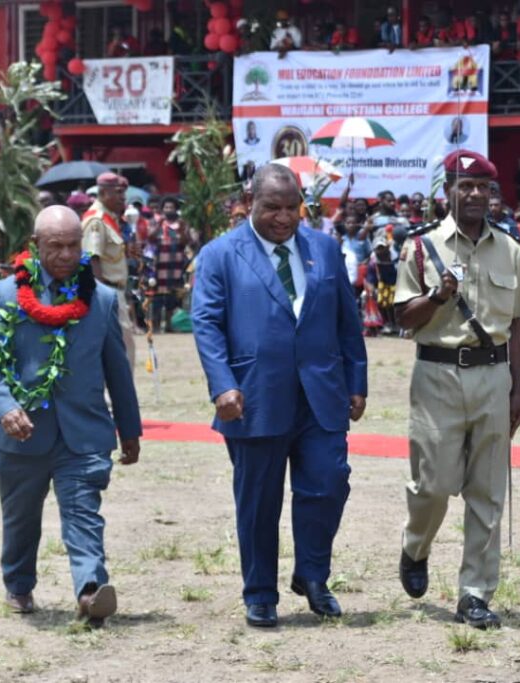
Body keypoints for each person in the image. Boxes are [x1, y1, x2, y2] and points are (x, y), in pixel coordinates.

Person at [191, 164, 368, 628]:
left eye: (293, 208)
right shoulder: (219, 254)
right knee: (259, 500)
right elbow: (206, 324)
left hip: (320, 396)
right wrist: (222, 384)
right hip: (253, 398)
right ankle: (260, 592)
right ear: (250, 200)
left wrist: (357, 382)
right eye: (273, 207)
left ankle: (312, 576)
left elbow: (347, 323)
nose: (284, 218)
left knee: (329, 482)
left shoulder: (325, 250)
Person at [0, 205, 141, 624]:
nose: (67, 254)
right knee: (20, 519)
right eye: (56, 246)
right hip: (22, 434)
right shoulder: (6, 295)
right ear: (35, 246)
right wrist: (7, 407)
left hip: (83, 434)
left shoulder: (101, 300)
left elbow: (117, 369)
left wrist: (130, 428)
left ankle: (90, 591)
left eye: (73, 245)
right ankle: (18, 584)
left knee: (84, 514)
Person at [393, 150, 520, 630]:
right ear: (447, 192)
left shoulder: (510, 250)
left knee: (487, 490)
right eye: (464, 185)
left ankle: (475, 593)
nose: (475, 194)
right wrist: (437, 295)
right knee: (431, 485)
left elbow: (517, 325)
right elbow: (402, 318)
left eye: (483, 187)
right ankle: (416, 547)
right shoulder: (419, 248)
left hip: (494, 375)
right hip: (436, 374)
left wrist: (516, 390)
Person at [82, 172, 135, 369]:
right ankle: (120, 394)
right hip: (106, 292)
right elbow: (91, 259)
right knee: (121, 345)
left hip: (116, 290)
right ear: (103, 193)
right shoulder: (97, 220)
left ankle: (122, 393)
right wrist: (101, 297)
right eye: (118, 193)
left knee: (123, 344)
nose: (123, 198)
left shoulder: (110, 219)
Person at [148, 197, 188, 333]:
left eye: (171, 207)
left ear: (176, 209)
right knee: (157, 297)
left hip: (176, 266)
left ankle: (170, 325)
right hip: (159, 267)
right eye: (166, 207)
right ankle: (156, 325)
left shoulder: (181, 224)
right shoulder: (156, 222)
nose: (169, 210)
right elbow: (150, 238)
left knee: (173, 296)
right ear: (162, 209)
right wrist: (159, 225)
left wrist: (182, 231)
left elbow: (185, 242)